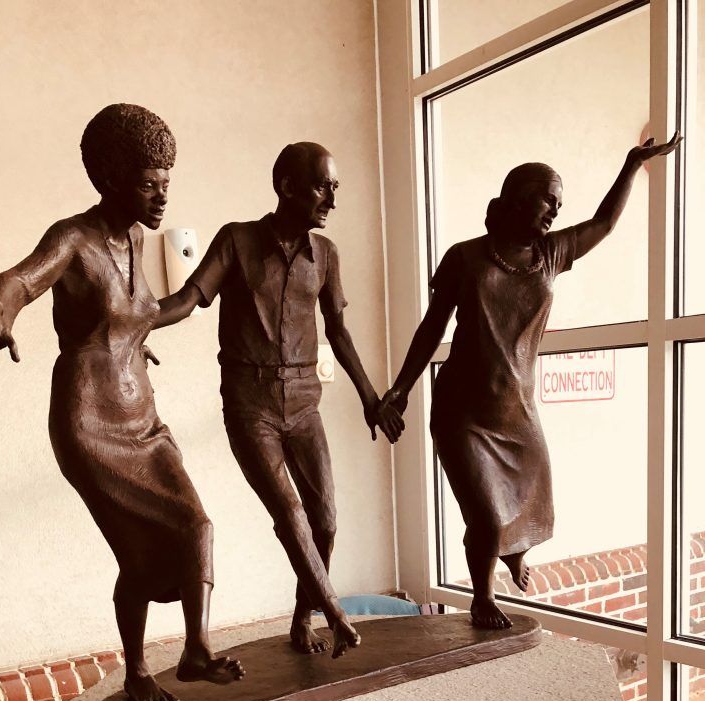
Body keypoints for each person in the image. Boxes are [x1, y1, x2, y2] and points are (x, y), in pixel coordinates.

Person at [0, 103, 243, 701]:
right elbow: (21, 280)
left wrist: (134, 340)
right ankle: (138, 671)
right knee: (139, 555)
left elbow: (134, 316)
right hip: (90, 422)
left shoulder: (135, 239)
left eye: (166, 183)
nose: (162, 196)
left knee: (195, 525)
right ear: (111, 178)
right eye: (148, 184)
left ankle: (195, 649)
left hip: (144, 418)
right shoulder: (73, 238)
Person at [378, 132, 681, 630]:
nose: (555, 211)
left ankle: (513, 549)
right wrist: (400, 390)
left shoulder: (551, 254)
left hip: (517, 408)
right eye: (547, 200)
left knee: (532, 498)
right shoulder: (465, 258)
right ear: (517, 200)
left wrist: (632, 164)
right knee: (485, 513)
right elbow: (432, 328)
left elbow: (604, 223)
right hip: (463, 410)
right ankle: (482, 596)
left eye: (559, 204)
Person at [154, 142, 403, 657]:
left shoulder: (325, 254)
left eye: (335, 188)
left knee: (325, 521)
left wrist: (370, 398)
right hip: (251, 405)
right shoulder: (238, 240)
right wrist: (133, 323)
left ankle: (302, 619)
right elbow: (187, 300)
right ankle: (335, 614)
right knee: (290, 512)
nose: (331, 200)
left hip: (305, 404)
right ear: (287, 187)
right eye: (321, 187)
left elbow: (338, 332)